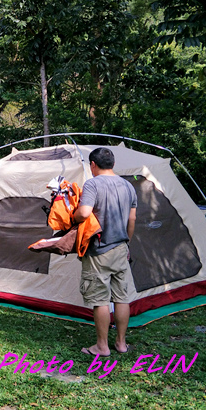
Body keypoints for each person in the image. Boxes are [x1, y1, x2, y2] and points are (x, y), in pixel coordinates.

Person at [72, 147, 137, 357]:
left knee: (100, 299)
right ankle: (121, 343)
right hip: (121, 248)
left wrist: (73, 216)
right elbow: (132, 219)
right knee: (121, 297)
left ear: (93, 165)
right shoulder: (128, 186)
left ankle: (102, 346)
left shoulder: (93, 184)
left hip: (98, 250)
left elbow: (84, 212)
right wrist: (127, 243)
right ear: (113, 164)